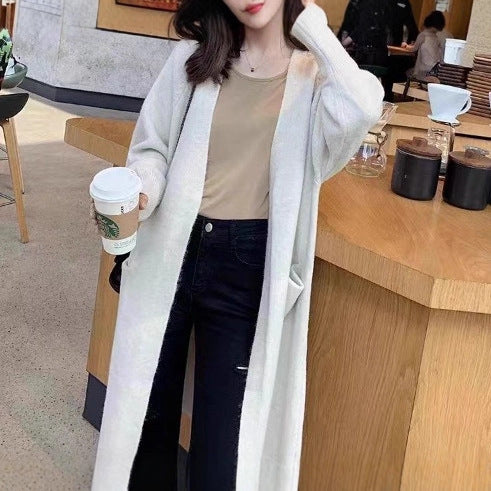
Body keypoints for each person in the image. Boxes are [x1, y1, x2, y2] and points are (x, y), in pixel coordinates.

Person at [91, 0, 383, 490]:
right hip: (172, 247)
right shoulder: (197, 54)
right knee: (145, 417)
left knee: (225, 444)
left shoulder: (315, 78)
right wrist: (142, 189)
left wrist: (310, 25)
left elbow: (362, 108)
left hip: (246, 265)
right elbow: (153, 148)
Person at [339, 0, 392, 67]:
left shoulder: (365, 4)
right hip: (376, 51)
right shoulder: (357, 3)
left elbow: (362, 27)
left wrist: (345, 42)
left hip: (368, 52)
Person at [402, 10, 446, 80]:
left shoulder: (423, 35)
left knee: (407, 73)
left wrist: (405, 45)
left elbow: (413, 49)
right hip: (435, 69)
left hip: (424, 69)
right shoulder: (436, 38)